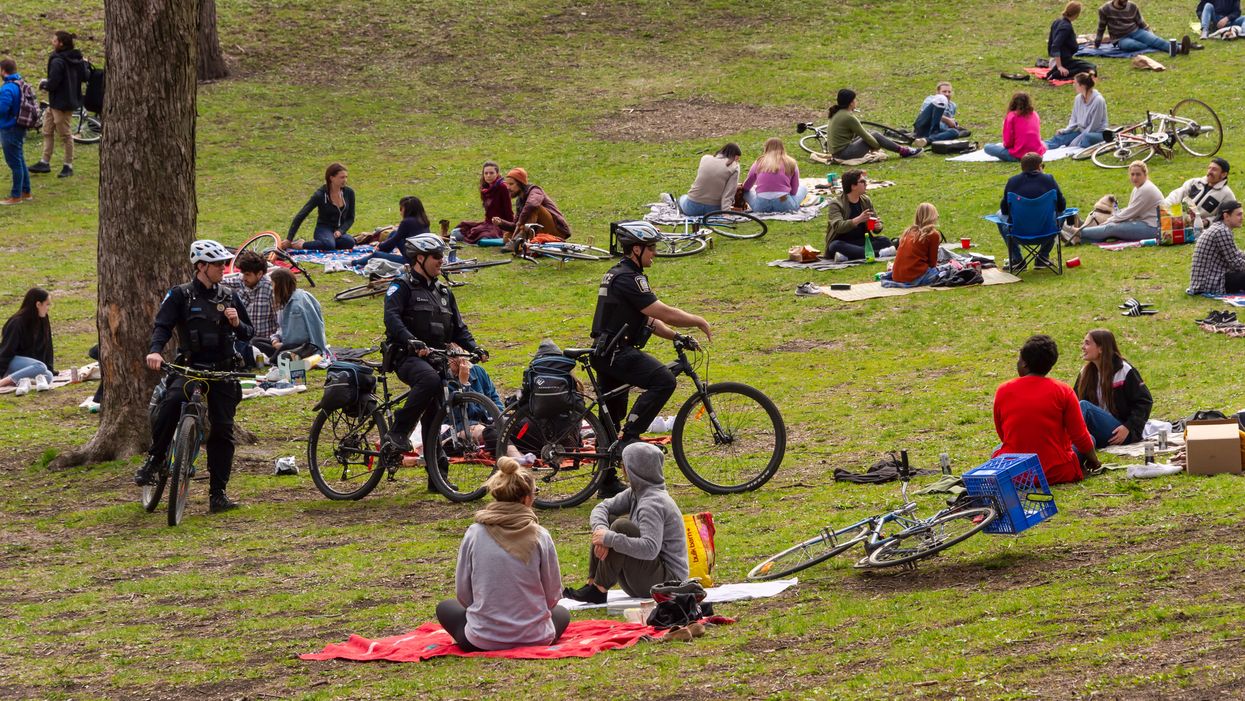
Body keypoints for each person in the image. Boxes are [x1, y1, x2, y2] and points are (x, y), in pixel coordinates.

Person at [589, 222, 711, 497]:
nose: (655, 253)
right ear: (636, 249)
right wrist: (697, 321)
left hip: (608, 352)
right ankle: (631, 437)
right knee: (663, 380)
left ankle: (606, 482)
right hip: (616, 353)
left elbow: (648, 319)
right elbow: (660, 311)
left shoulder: (620, 273)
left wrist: (676, 337)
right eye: (651, 248)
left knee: (612, 417)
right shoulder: (628, 278)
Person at [136, 240, 254, 513]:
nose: (224, 269)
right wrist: (155, 352)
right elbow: (162, 326)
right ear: (201, 266)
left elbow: (248, 332)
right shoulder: (180, 295)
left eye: (224, 263)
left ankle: (218, 493)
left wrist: (237, 323)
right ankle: (154, 460)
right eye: (218, 265)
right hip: (191, 367)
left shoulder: (229, 295)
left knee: (223, 430)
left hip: (223, 370)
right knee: (171, 403)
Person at [382, 233, 489, 490]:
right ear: (420, 258)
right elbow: (392, 318)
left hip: (437, 358)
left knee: (435, 413)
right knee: (429, 381)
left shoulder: (443, 292)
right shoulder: (402, 286)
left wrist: (474, 347)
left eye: (442, 256)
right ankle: (398, 431)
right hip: (406, 356)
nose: (442, 261)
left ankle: (437, 478)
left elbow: (458, 329)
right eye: (436, 256)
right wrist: (411, 341)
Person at [435, 456, 569, 651]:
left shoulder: (475, 532)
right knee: (562, 613)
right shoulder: (541, 535)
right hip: (535, 636)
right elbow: (552, 597)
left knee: (445, 607)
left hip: (482, 639)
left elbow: (463, 595)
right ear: (526, 498)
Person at [561, 442, 689, 604]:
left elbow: (650, 549)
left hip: (667, 583)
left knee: (621, 527)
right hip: (643, 582)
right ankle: (593, 585)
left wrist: (609, 539)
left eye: (625, 463)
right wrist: (602, 532)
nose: (622, 467)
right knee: (608, 522)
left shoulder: (653, 503)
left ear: (636, 469)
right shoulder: (637, 492)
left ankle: (599, 590)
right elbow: (602, 508)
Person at [993, 334, 1101, 485]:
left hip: (1014, 472)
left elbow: (1003, 434)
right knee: (1091, 440)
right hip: (1056, 472)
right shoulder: (1063, 390)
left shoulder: (1003, 390)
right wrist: (1094, 461)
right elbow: (1080, 436)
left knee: (998, 449)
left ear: (1024, 363)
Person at [1073, 329, 1153, 449]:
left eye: (1087, 343)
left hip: (1120, 431)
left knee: (1084, 406)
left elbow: (1144, 401)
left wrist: (1128, 427)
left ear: (1101, 348)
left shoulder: (1124, 371)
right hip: (1098, 430)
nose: (1083, 347)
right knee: (1089, 440)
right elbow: (1072, 403)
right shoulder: (1085, 373)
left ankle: (1064, 444)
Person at [995, 152, 1066, 271]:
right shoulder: (1049, 180)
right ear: (1039, 167)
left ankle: (1017, 259)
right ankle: (1043, 257)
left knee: (998, 215)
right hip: (1046, 232)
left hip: (1018, 233)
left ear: (1022, 168)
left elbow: (1004, 210)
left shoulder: (1012, 181)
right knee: (1062, 214)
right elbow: (1061, 206)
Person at [29, 31, 86, 178]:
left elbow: (53, 83)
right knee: (47, 130)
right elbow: (86, 77)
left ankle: (68, 165)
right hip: (60, 102)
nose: (52, 41)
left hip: (61, 104)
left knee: (65, 135)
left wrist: (44, 84)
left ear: (61, 43)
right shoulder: (77, 59)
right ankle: (44, 162)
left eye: (54, 40)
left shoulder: (57, 61)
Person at [826, 89, 923, 161]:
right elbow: (865, 137)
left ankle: (903, 150)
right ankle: (904, 151)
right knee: (874, 135)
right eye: (855, 100)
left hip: (837, 153)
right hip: (843, 154)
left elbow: (861, 134)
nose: (856, 102)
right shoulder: (848, 116)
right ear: (851, 103)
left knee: (871, 133)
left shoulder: (837, 113)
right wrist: (876, 145)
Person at [1079, 160, 1164, 242]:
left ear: (1145, 175)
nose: (1134, 178)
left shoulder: (1146, 189)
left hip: (1153, 228)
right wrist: (1113, 218)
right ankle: (1083, 231)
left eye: (1138, 174)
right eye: (1132, 174)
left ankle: (1078, 233)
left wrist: (1110, 220)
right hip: (1145, 223)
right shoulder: (1138, 188)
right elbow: (1130, 209)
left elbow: (1130, 213)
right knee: (1112, 224)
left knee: (1111, 228)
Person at [282, 163, 357, 251]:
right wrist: (289, 238)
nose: (345, 180)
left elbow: (350, 218)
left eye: (346, 177)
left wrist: (341, 231)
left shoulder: (349, 193)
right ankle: (300, 244)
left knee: (350, 242)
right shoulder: (320, 195)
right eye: (342, 177)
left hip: (337, 231)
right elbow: (301, 215)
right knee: (329, 244)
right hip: (323, 228)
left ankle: (325, 243)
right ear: (331, 178)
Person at [492, 167, 571, 250]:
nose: (508, 188)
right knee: (507, 236)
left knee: (534, 207)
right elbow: (516, 225)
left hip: (556, 231)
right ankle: (523, 241)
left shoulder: (535, 190)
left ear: (520, 184)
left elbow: (532, 204)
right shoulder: (520, 200)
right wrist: (501, 223)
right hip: (538, 230)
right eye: (507, 184)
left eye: (511, 184)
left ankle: (520, 241)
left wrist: (521, 221)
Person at [823, 170, 894, 261]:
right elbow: (838, 226)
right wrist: (858, 220)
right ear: (853, 186)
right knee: (834, 246)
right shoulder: (836, 204)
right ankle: (879, 253)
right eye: (862, 182)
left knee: (885, 241)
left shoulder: (866, 200)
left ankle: (847, 256)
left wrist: (877, 226)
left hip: (863, 241)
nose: (866, 184)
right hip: (844, 242)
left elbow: (875, 226)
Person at [220, 250, 278, 361]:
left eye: (247, 274)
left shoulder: (270, 289)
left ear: (260, 274)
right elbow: (221, 281)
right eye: (242, 273)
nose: (243, 277)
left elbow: (279, 320)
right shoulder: (241, 281)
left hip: (263, 342)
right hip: (243, 339)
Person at [0, 288, 55, 395]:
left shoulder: (43, 319)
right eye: (47, 304)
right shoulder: (17, 323)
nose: (48, 308)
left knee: (48, 375)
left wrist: (50, 367)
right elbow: (6, 350)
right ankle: (3, 382)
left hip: (30, 364)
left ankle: (23, 380)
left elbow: (48, 346)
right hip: (12, 361)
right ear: (38, 304)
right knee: (40, 367)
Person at [270, 267, 331, 362]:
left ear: (280, 285)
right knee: (256, 342)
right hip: (285, 343)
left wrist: (319, 349)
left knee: (278, 358)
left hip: (301, 346)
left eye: (273, 284)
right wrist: (275, 340)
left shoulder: (300, 302)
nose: (272, 288)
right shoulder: (284, 302)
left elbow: (315, 326)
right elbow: (282, 328)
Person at [351, 196, 430, 267]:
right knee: (394, 232)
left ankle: (354, 262)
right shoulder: (423, 220)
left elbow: (395, 239)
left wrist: (380, 246)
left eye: (401, 209)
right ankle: (383, 252)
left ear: (407, 210)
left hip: (412, 262)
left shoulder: (407, 222)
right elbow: (397, 236)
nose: (400, 212)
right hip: (423, 257)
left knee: (376, 254)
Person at [1187, 200, 1245, 295]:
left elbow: (1236, 254)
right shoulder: (1222, 231)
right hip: (1211, 283)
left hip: (1207, 280)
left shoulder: (1219, 228)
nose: (1242, 218)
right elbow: (1235, 263)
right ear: (1226, 216)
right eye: (1239, 214)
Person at [1094, 0, 1190, 56]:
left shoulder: (1132, 6)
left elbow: (1141, 22)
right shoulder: (1104, 9)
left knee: (1155, 40)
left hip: (1136, 31)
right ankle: (1159, 46)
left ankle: (1180, 49)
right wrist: (1097, 44)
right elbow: (1101, 28)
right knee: (1131, 45)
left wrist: (1150, 34)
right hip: (1120, 38)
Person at [1164, 158, 1235, 231]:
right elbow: (1176, 195)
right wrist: (1164, 207)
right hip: (1174, 219)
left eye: (1214, 169)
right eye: (1209, 168)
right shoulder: (1194, 182)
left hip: (1198, 229)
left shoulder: (1227, 194)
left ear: (1224, 174)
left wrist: (1207, 222)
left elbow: (1227, 218)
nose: (1210, 171)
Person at [452, 161, 514, 244]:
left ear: (497, 173)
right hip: (487, 224)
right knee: (456, 232)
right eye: (486, 173)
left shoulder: (502, 187)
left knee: (483, 237)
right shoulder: (485, 189)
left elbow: (508, 210)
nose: (488, 176)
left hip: (499, 225)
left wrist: (509, 228)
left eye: (491, 173)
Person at [740, 138, 807, 214]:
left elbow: (746, 186)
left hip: (761, 206)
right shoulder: (791, 162)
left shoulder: (759, 162)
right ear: (782, 147)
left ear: (766, 148)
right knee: (803, 188)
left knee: (745, 192)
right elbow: (794, 191)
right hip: (784, 203)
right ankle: (791, 204)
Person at [1044, 73, 1108, 150]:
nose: (1074, 85)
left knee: (1086, 138)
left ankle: (1080, 147)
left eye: (1075, 83)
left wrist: (1076, 140)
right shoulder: (1078, 99)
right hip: (1081, 131)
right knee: (1061, 137)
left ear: (1082, 86)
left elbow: (1094, 126)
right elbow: (1074, 119)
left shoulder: (1098, 101)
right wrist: (1066, 131)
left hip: (1096, 133)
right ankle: (1041, 146)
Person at [0, 59, 32, 205]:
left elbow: (2, 109)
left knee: (14, 163)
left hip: (10, 127)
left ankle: (16, 195)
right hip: (20, 125)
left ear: (3, 70)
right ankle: (26, 191)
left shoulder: (7, 88)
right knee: (19, 159)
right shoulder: (20, 82)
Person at [679, 143, 742, 216]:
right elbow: (728, 193)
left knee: (682, 197)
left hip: (692, 207)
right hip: (713, 210)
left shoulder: (705, 158)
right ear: (735, 156)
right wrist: (726, 213)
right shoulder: (734, 167)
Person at [888, 203, 943, 285]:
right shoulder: (932, 234)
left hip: (897, 276)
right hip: (914, 276)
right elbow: (932, 263)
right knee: (944, 272)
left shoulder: (908, 231)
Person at [984, 92, 1045, 163]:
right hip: (1037, 154)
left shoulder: (1012, 116)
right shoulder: (1034, 114)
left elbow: (1008, 142)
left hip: (1019, 155)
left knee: (987, 147)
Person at [1047, 2, 1098, 80]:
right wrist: (1059, 66)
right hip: (1061, 61)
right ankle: (1057, 73)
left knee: (1085, 66)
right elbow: (1055, 46)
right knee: (1090, 67)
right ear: (1076, 14)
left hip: (1057, 59)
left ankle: (1057, 71)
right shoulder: (1066, 27)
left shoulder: (1057, 21)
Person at [912, 82, 969, 146]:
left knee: (954, 132)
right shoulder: (930, 99)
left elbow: (950, 121)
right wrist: (947, 120)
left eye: (949, 92)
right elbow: (928, 115)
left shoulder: (953, 105)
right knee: (941, 99)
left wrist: (954, 124)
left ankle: (926, 140)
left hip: (938, 131)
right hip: (924, 125)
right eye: (944, 91)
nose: (947, 94)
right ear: (938, 92)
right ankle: (932, 134)